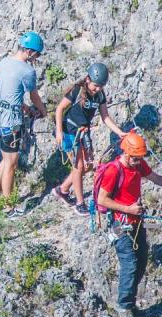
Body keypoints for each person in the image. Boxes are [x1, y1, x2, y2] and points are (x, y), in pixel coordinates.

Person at [96, 131, 162, 317]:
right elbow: (102, 199)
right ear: (126, 153)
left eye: (140, 158)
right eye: (135, 158)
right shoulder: (113, 171)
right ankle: (124, 307)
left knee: (141, 261)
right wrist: (128, 209)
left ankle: (130, 303)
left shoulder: (138, 164)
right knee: (131, 265)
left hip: (136, 222)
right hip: (121, 224)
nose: (138, 161)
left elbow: (155, 178)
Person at [51, 63, 127, 215]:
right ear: (87, 79)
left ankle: (62, 190)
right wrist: (59, 131)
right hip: (68, 132)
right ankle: (80, 203)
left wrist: (119, 132)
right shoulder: (77, 90)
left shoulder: (100, 95)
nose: (97, 89)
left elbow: (105, 116)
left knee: (87, 166)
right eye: (95, 85)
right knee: (78, 166)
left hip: (83, 132)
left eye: (101, 86)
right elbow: (59, 109)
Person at [0, 31, 48, 215]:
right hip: (11, 121)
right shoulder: (27, 70)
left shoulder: (4, 62)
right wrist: (43, 111)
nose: (37, 58)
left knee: (5, 158)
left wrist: (25, 109)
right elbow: (34, 96)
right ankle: (8, 208)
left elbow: (9, 93)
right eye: (37, 54)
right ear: (30, 52)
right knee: (12, 164)